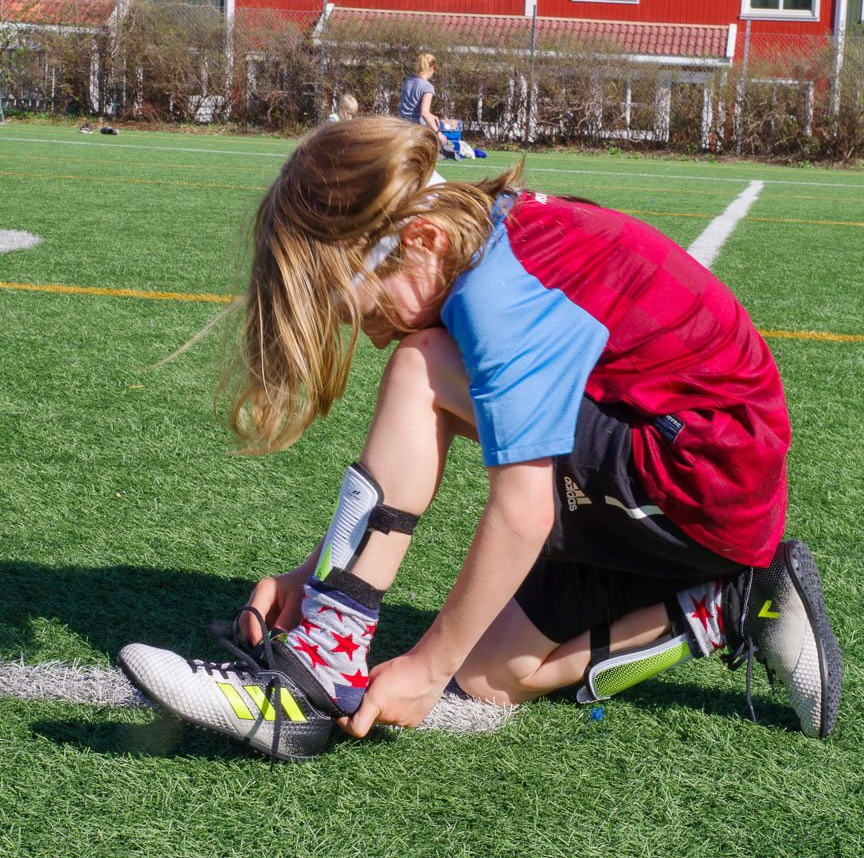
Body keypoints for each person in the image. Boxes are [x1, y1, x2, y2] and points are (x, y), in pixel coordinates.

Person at [118, 118, 842, 762]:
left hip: (699, 476)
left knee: (418, 367)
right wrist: (313, 576)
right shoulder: (485, 241)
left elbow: (525, 510)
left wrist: (425, 666)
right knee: (492, 679)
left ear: (422, 239)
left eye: (354, 305)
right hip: (695, 506)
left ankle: (317, 666)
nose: (361, 330)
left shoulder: (495, 289)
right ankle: (738, 602)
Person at [399, 53, 456, 158]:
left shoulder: (408, 81)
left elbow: (411, 107)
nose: (434, 73)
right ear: (431, 68)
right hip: (416, 128)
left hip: (402, 125)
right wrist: (439, 134)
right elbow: (423, 113)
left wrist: (432, 116)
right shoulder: (427, 87)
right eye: (435, 70)